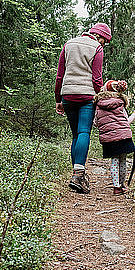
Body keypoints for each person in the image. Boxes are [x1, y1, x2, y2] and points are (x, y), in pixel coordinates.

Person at [55, 23, 112, 194]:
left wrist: (58, 98)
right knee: (83, 133)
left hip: (68, 95)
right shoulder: (96, 48)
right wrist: (101, 95)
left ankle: (77, 174)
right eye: (104, 41)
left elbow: (60, 75)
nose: (103, 45)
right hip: (86, 96)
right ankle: (78, 175)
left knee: (75, 135)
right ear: (99, 36)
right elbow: (96, 78)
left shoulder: (69, 44)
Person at [93, 80, 135, 195]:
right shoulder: (120, 103)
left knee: (114, 161)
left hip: (109, 138)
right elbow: (126, 121)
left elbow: (95, 123)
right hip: (123, 136)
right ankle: (122, 184)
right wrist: (134, 114)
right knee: (123, 160)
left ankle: (116, 187)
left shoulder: (98, 105)